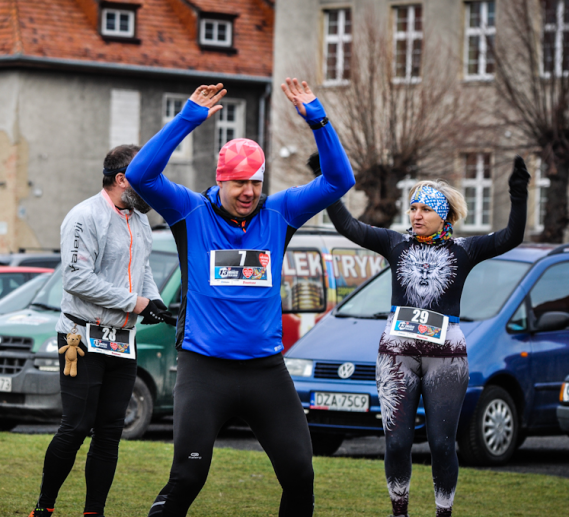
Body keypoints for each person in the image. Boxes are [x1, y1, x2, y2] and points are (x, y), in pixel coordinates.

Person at [126, 79, 356, 516]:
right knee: (189, 476)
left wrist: (318, 119)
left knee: (300, 474)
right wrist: (188, 118)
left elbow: (339, 180)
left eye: (254, 182)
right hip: (204, 368)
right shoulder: (189, 210)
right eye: (238, 184)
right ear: (221, 181)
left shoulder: (280, 212)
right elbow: (141, 175)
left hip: (265, 372)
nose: (248, 192)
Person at [321, 156, 530, 517]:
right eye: (412, 207)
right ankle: (399, 513)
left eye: (424, 209)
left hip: (445, 357)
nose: (415, 215)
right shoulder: (394, 243)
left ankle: (443, 513)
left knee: (441, 444)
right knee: (398, 442)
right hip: (396, 354)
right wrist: (326, 184)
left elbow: (512, 236)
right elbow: (348, 226)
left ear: (444, 216)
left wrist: (518, 193)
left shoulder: (464, 250)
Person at [29, 144, 173, 517]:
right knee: (76, 427)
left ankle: (94, 512)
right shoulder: (84, 216)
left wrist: (153, 300)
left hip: (122, 341)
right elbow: (77, 280)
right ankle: (44, 507)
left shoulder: (139, 219)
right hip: (79, 337)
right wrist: (135, 303)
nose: (154, 188)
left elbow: (142, 271)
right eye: (148, 179)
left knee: (111, 432)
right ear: (122, 179)